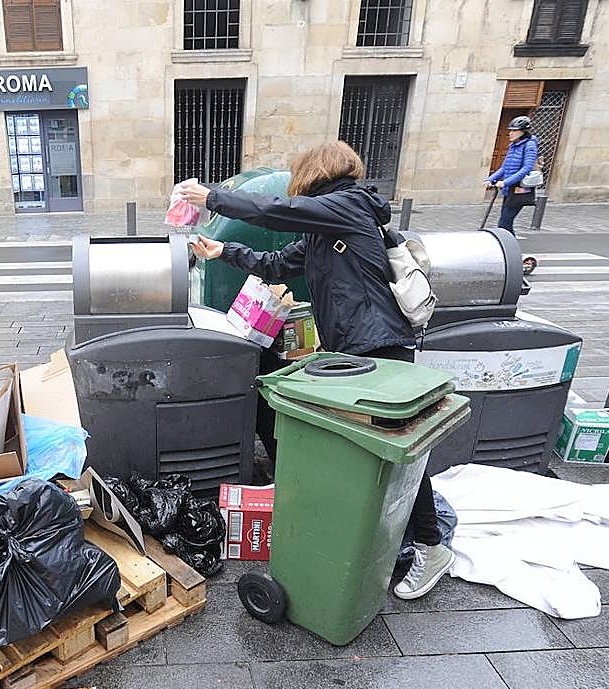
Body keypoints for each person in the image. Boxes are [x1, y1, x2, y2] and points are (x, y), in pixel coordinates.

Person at [179, 140, 452, 600]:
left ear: (313, 172)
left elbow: (276, 211)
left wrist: (212, 198)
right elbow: (275, 265)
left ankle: (430, 543)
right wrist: (221, 251)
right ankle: (381, 526)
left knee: (395, 444)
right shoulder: (326, 225)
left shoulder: (346, 204)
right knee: (374, 443)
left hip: (379, 345)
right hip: (353, 348)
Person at [486, 116, 540, 234]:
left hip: (519, 190)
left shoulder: (529, 145)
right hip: (509, 190)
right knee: (505, 222)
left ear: (523, 132)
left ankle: (509, 248)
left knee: (504, 222)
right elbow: (504, 168)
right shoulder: (513, 146)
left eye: (514, 130)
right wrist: (490, 179)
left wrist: (505, 182)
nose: (510, 133)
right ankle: (509, 245)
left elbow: (526, 168)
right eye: (510, 130)